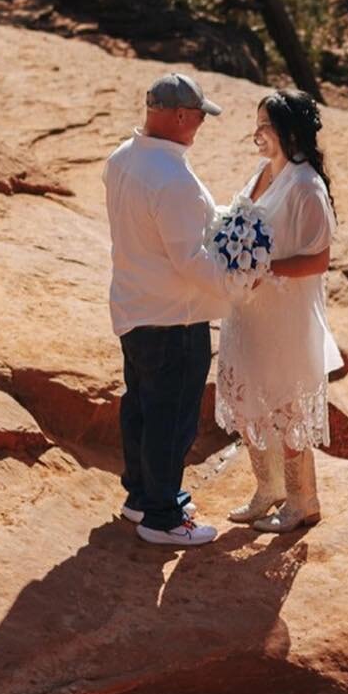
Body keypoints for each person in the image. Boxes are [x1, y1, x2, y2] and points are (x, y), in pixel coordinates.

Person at [103, 73, 234, 548]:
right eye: (200, 115)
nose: (201, 124)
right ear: (179, 115)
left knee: (140, 405)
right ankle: (160, 517)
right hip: (173, 316)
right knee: (171, 416)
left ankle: (142, 495)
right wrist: (239, 282)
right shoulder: (172, 178)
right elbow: (190, 260)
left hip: (134, 306)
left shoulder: (122, 158)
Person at [215, 89, 342, 532]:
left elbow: (319, 260)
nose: (257, 134)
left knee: (287, 405)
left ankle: (301, 500)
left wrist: (264, 266)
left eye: (264, 126)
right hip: (249, 311)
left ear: (289, 132)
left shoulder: (307, 186)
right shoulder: (262, 173)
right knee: (249, 398)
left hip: (285, 315)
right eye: (256, 125)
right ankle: (267, 490)